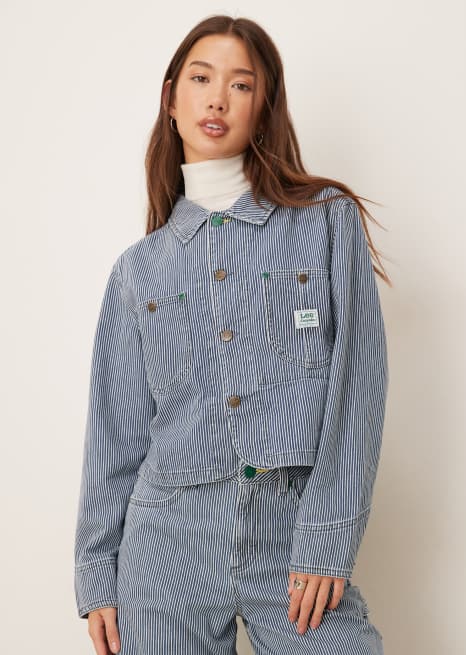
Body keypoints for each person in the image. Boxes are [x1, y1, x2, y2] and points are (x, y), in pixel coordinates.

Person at [74, 14, 391, 655]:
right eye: (201, 79)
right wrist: (97, 573)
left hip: (291, 539)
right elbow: (115, 436)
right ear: (171, 100)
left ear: (263, 108)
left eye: (241, 85)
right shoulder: (138, 270)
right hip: (165, 552)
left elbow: (358, 386)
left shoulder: (326, 222)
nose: (218, 98)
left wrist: (327, 537)